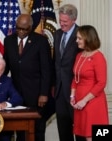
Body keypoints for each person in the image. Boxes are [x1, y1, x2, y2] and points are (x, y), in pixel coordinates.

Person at [3, 14, 51, 141]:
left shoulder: (41, 41)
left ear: (30, 27)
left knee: (37, 129)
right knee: (20, 128)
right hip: (16, 93)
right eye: (18, 28)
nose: (21, 31)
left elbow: (46, 69)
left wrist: (44, 93)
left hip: (36, 94)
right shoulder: (8, 40)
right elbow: (6, 65)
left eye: (24, 29)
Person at [52, 4, 85, 141]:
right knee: (63, 130)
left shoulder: (82, 35)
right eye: (60, 20)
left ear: (74, 19)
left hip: (76, 91)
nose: (61, 24)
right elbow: (56, 62)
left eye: (65, 21)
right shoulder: (57, 34)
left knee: (80, 129)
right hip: (59, 90)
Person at [70, 25, 109, 141]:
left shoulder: (98, 57)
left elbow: (101, 83)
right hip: (79, 103)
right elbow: (75, 78)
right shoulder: (79, 56)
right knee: (81, 134)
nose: (76, 41)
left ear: (88, 38)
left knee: (91, 135)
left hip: (93, 102)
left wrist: (84, 100)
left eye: (79, 38)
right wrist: (72, 96)